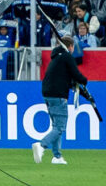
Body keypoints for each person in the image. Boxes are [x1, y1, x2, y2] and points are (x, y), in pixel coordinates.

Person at [34, 26, 90, 166]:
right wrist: (84, 81)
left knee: (56, 127)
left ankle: (57, 156)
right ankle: (42, 145)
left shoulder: (56, 58)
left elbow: (67, 79)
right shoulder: (67, 57)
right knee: (60, 128)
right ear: (70, 46)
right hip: (58, 94)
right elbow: (76, 74)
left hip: (48, 93)